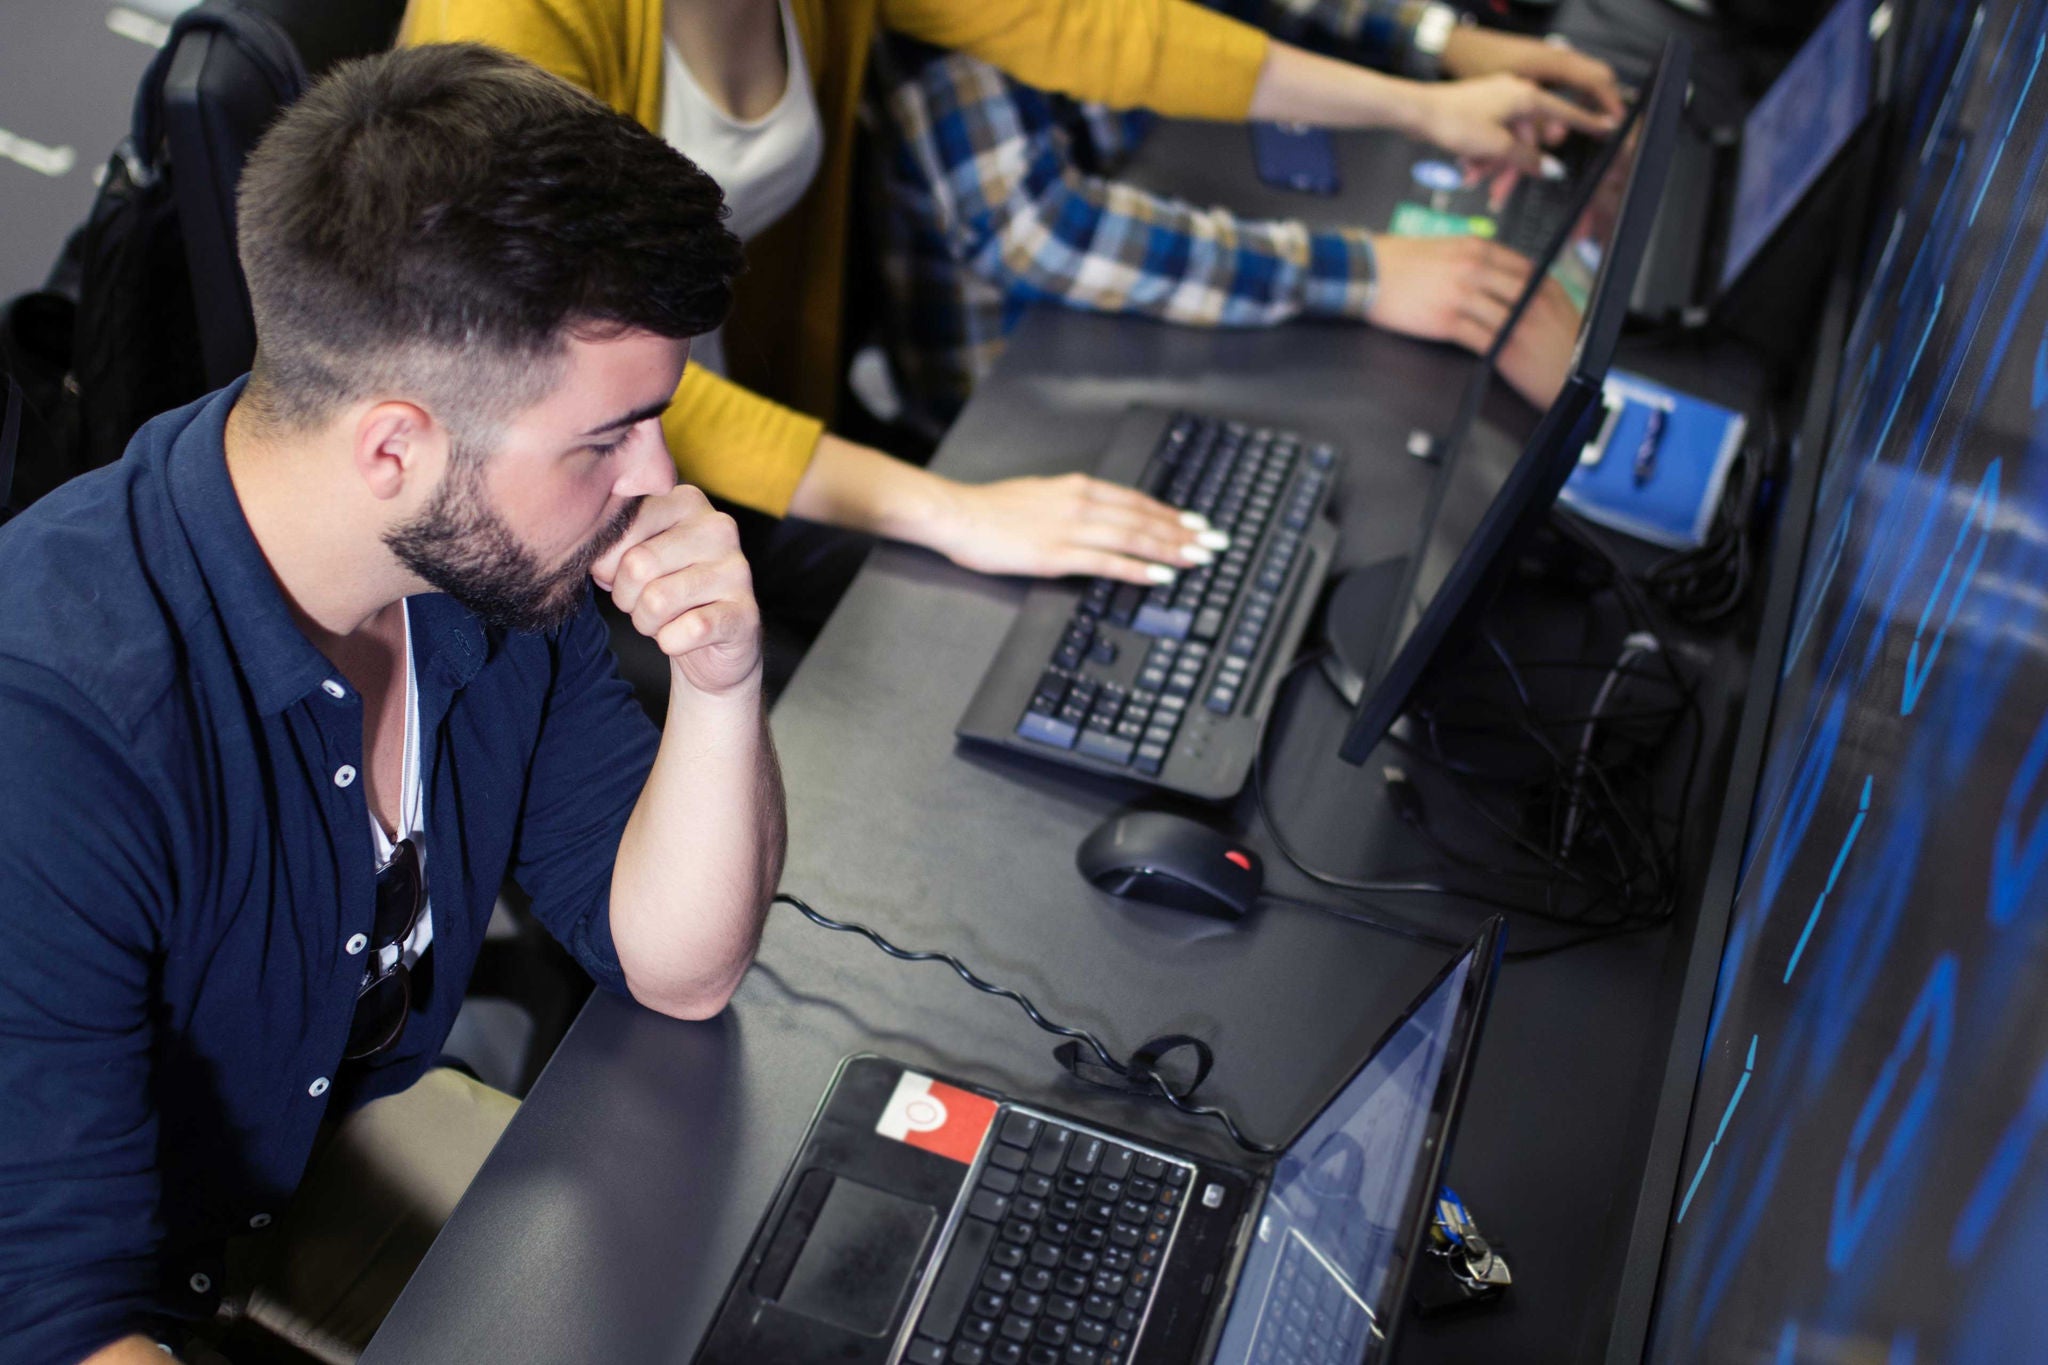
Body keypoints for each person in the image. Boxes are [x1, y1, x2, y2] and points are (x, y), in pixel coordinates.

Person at [0, 44, 781, 1365]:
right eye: (604, 439)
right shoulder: (59, 724)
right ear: (393, 448)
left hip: (316, 1164)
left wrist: (723, 677)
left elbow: (679, 966)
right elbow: (58, 1320)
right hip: (137, 1276)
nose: (656, 479)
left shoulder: (482, 563)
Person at [403, 0, 1615, 591]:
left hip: (750, 432)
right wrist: (951, 511)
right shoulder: (512, 17)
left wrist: (1422, 98)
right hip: (572, 510)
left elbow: (1095, 29)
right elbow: (573, 381)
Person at [873, 1, 1626, 430]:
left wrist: (1441, 41)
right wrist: (1362, 273)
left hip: (1162, 225)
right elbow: (1041, 233)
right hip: (1023, 378)